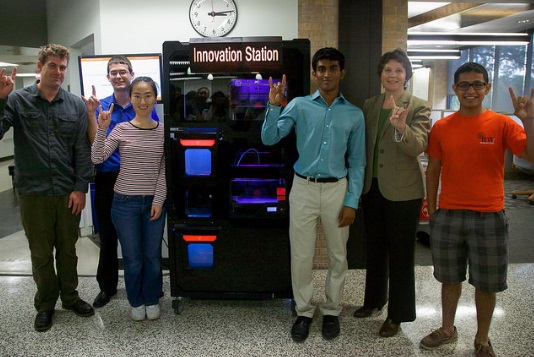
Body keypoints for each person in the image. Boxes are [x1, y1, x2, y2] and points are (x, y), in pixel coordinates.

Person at [419, 62, 534, 356]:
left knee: (487, 283)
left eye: (478, 84)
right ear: (455, 89)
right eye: (465, 85)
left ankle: (482, 338)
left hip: (490, 217)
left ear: (487, 88)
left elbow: (530, 155)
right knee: (449, 278)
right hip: (449, 215)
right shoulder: (442, 127)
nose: (471, 90)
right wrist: (433, 210)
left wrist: (529, 120)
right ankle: (447, 329)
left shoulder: (503, 124)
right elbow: (433, 170)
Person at [261, 47, 365, 342]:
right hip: (303, 188)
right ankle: (304, 311)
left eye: (333, 68)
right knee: (302, 255)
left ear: (341, 72)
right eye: (321, 68)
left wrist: (351, 200)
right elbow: (269, 138)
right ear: (314, 72)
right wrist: (274, 105)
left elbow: (358, 162)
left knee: (338, 256)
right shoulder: (298, 105)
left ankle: (332, 311)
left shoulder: (354, 114)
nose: (327, 74)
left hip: (337, 189)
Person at [0, 44, 95, 332]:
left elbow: (82, 149)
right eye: (52, 65)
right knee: (40, 253)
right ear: (41, 66)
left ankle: (70, 297)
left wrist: (81, 188)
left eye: (62, 67)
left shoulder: (75, 105)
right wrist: (0, 98)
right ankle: (45, 305)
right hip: (33, 192)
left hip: (67, 191)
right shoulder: (17, 101)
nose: (58, 72)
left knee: (68, 250)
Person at [354, 49, 431, 337]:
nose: (393, 75)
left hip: (404, 192)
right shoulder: (370, 105)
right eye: (388, 70)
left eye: (399, 70)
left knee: (400, 255)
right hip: (371, 188)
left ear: (406, 75)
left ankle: (397, 315)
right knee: (374, 250)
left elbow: (418, 147)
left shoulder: (419, 106)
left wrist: (401, 129)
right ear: (380, 75)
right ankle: (374, 300)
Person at [83, 56, 159, 308]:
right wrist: (93, 116)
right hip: (108, 178)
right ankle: (107, 287)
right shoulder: (102, 106)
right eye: (113, 72)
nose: (118, 76)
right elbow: (97, 146)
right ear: (107, 77)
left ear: (131, 74)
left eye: (122, 71)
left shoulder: (144, 105)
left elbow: (153, 139)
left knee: (144, 247)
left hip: (142, 179)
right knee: (107, 236)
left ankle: (148, 290)